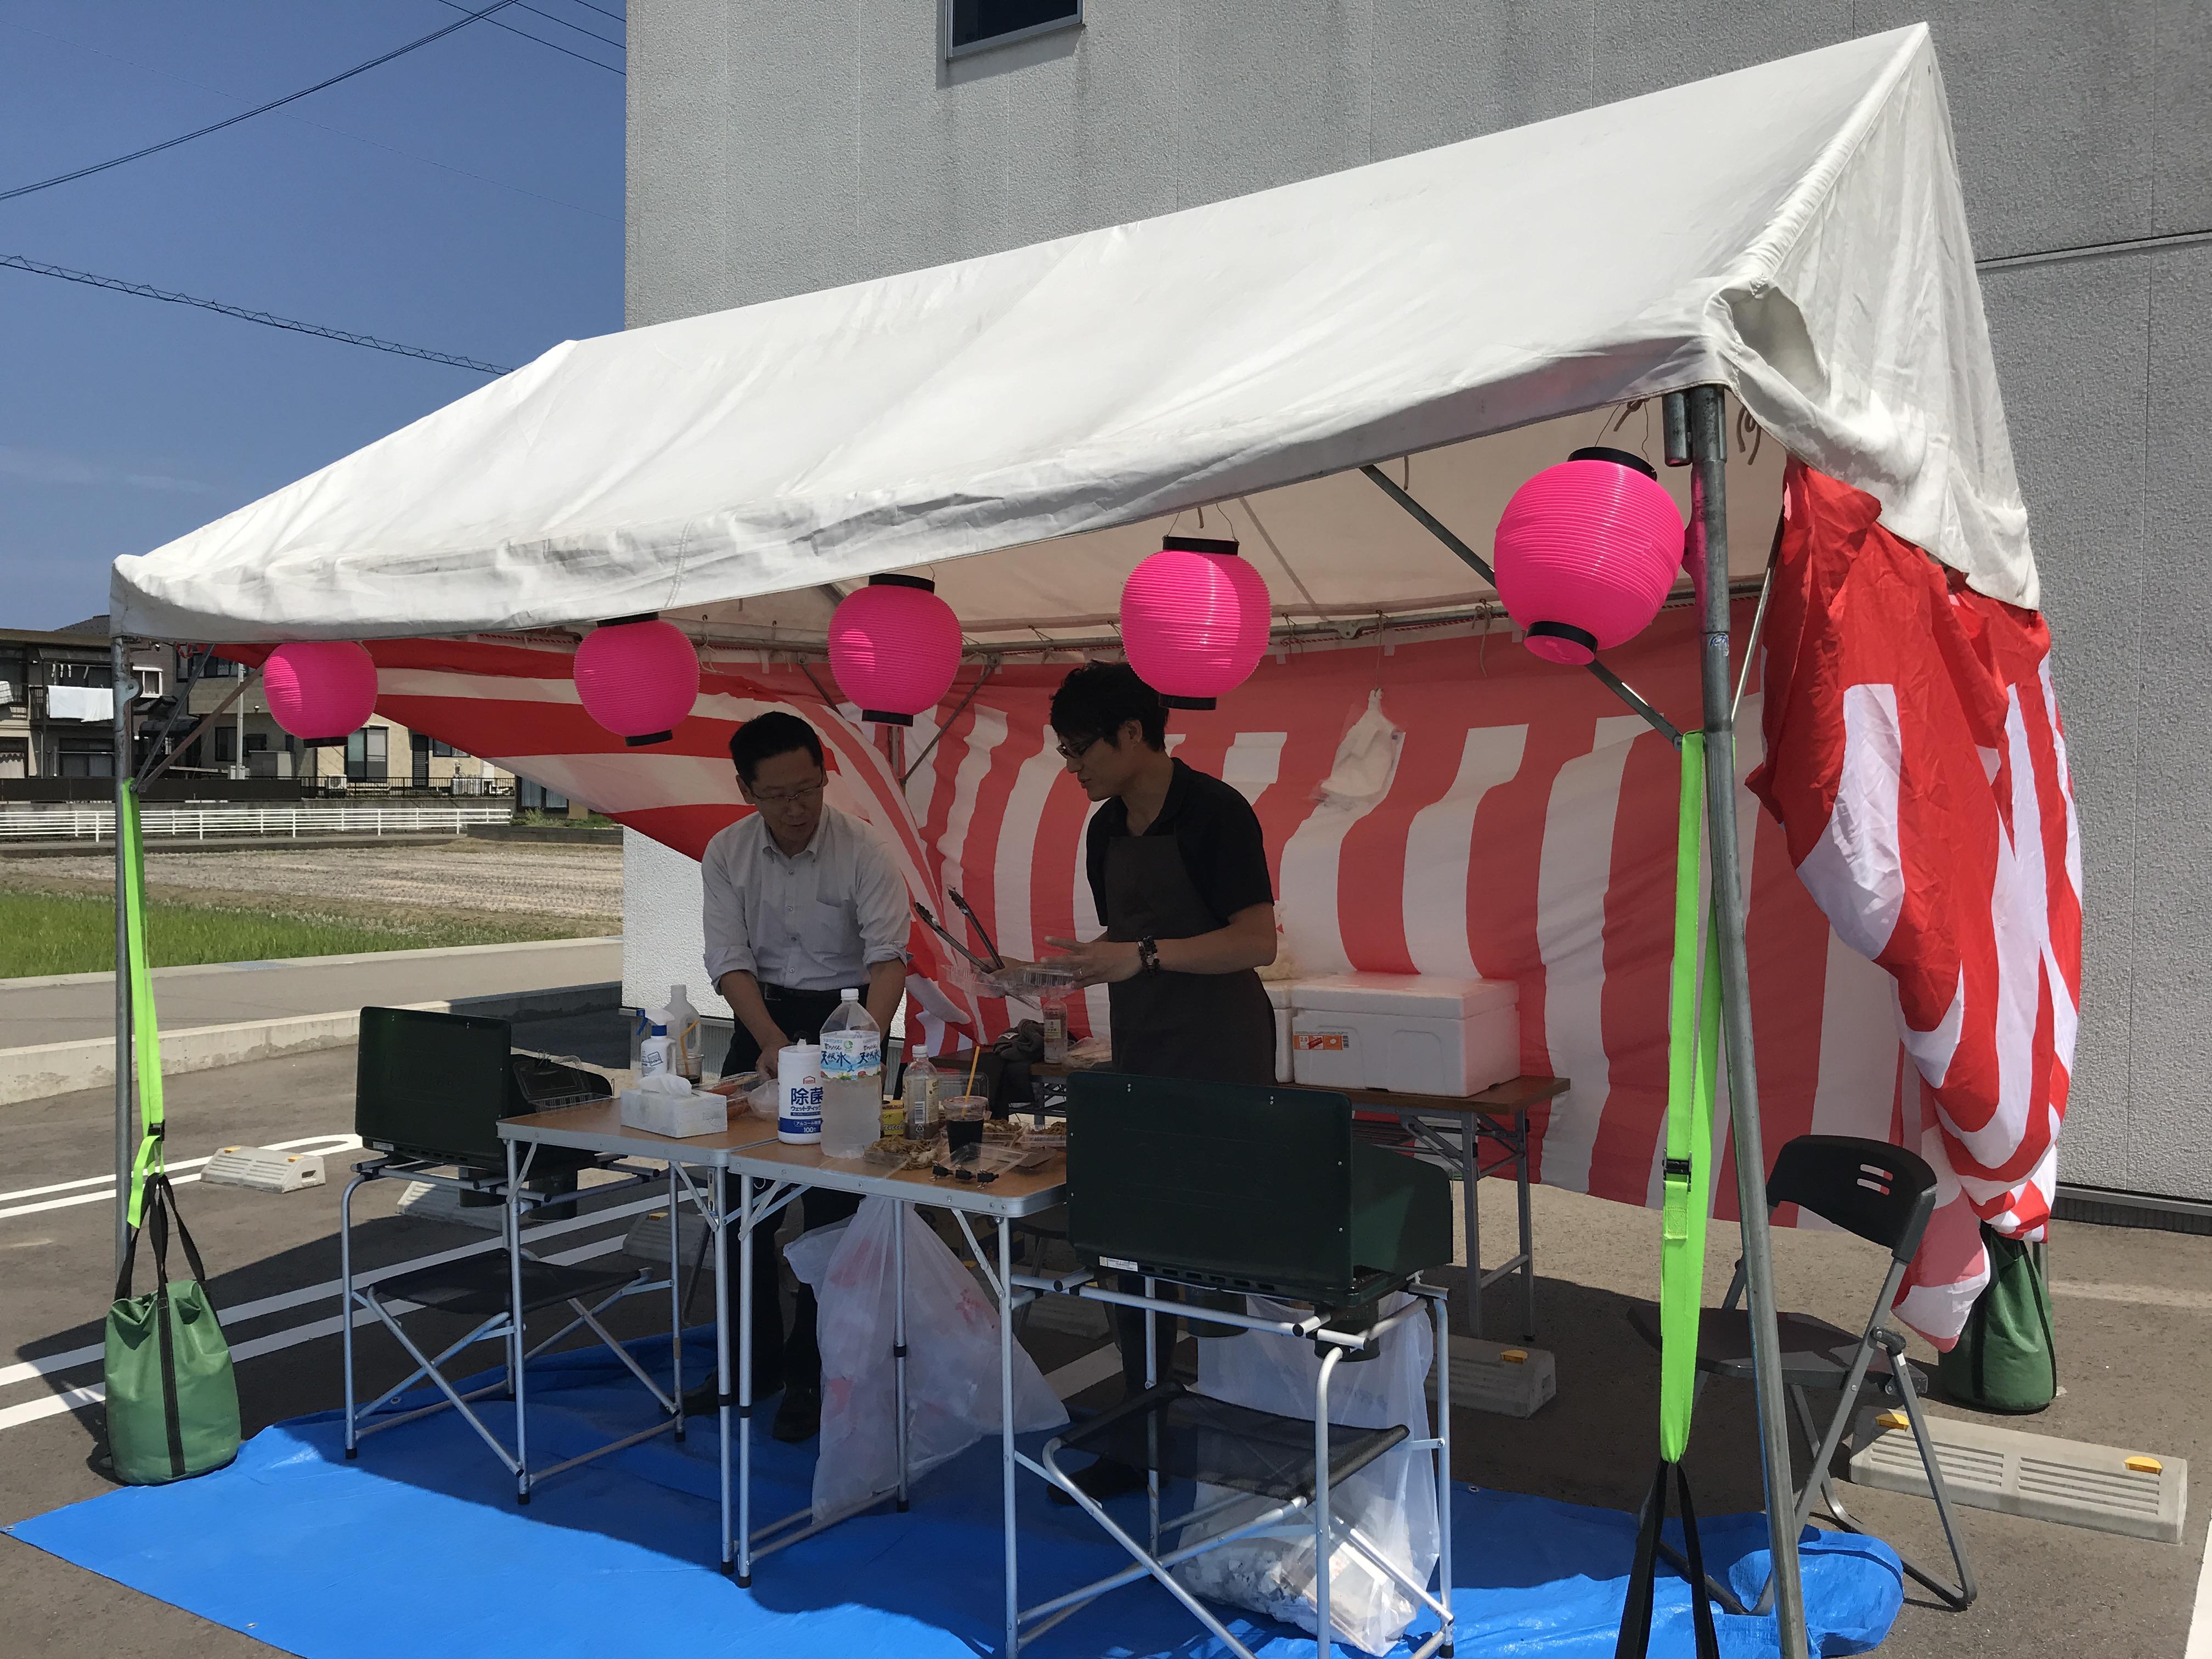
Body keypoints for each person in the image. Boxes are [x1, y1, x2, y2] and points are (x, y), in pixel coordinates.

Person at [1040, 662, 1278, 1498]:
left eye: (1081, 749)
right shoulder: (1105, 828)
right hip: (1143, 1044)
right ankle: (1141, 1423)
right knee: (1135, 1244)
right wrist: (1064, 970)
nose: (1075, 767)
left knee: (1219, 1244)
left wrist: (1139, 956)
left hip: (1221, 1051)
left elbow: (1256, 941)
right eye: (1066, 753)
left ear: (1133, 734)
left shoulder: (1217, 812)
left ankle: (1244, 1425)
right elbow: (1123, 940)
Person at [697, 711, 907, 1441]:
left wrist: (862, 1048)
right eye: (778, 795)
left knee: (833, 1208)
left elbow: (888, 960)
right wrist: (769, 1042)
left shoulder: (864, 850)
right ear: (747, 791)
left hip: (848, 1018)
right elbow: (728, 959)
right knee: (737, 1199)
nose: (796, 808)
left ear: (824, 777)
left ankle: (816, 1372)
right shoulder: (727, 852)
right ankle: (747, 1362)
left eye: (808, 789)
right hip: (762, 1018)